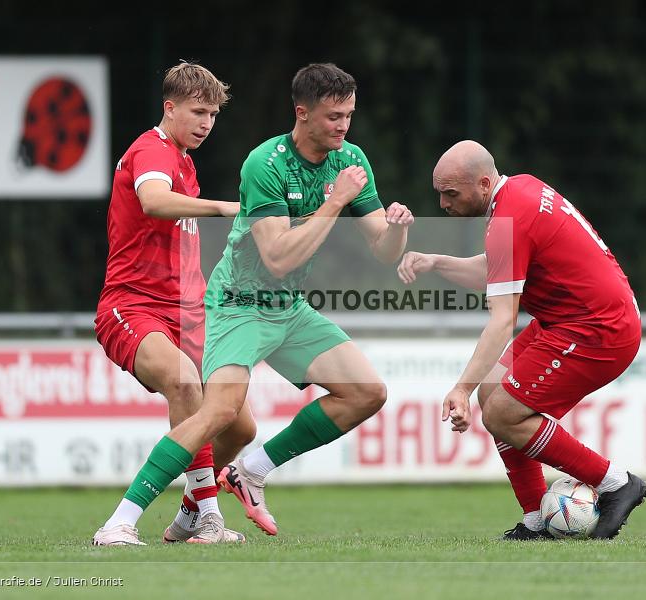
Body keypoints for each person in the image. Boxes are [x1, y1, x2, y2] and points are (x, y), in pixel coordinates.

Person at [102, 62, 414, 538]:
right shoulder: (246, 162)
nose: (344, 125)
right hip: (228, 302)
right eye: (334, 116)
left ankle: (239, 481)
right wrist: (236, 207)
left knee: (353, 395)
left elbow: (383, 251)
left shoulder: (347, 161)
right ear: (303, 113)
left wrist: (397, 230)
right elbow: (275, 257)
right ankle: (122, 522)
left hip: (272, 306)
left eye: (349, 115)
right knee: (198, 395)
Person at [397, 140, 646, 540]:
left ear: (482, 183)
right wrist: (436, 263)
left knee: (501, 414)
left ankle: (616, 483)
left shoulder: (509, 217)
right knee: (492, 395)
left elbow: (502, 321)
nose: (443, 204)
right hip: (571, 319)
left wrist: (461, 387)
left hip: (597, 328)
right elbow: (497, 266)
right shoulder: (519, 191)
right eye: (439, 193)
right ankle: (537, 519)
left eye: (451, 193)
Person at [91, 62, 249, 546]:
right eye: (198, 111)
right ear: (170, 107)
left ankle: (191, 516)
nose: (207, 123)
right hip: (131, 305)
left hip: (183, 313)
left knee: (238, 425)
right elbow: (154, 201)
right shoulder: (152, 150)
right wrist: (224, 208)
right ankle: (120, 524)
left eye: (214, 115)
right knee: (184, 383)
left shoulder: (183, 159)